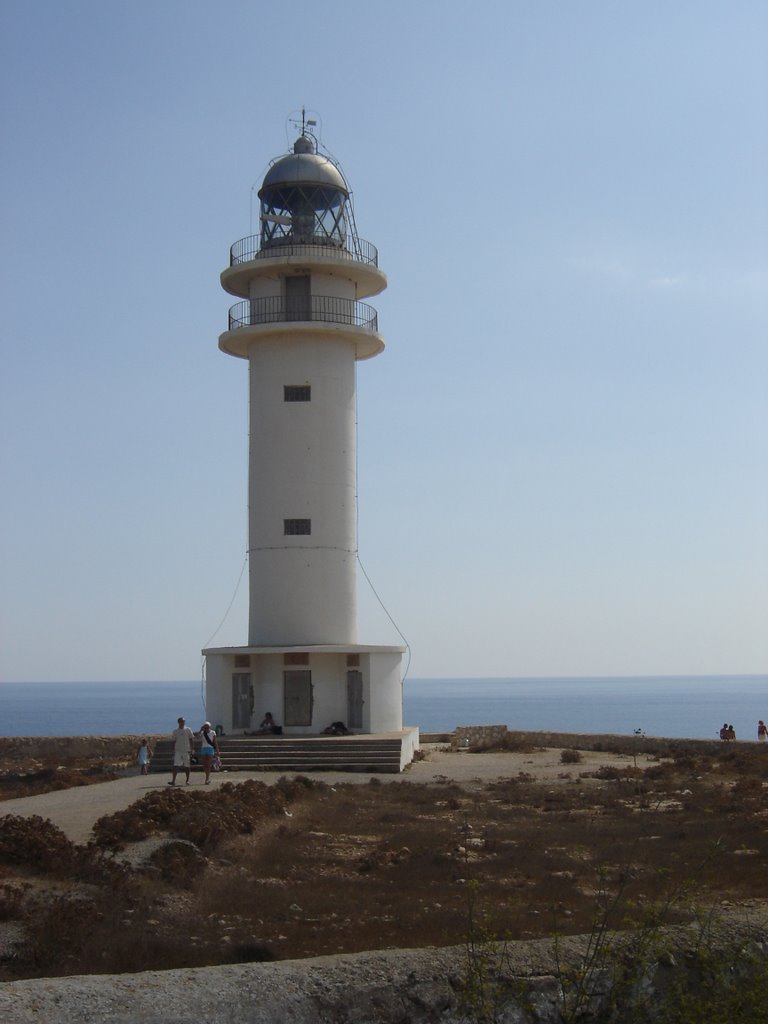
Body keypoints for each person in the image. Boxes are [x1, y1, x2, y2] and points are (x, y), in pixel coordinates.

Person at [168, 716, 195, 785]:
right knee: (175, 765)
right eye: (181, 722)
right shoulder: (175, 731)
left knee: (187, 766)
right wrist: (172, 749)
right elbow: (173, 741)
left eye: (183, 721)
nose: (182, 723)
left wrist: (192, 749)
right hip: (178, 750)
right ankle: (173, 781)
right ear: (178, 722)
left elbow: (191, 739)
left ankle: (187, 780)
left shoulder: (188, 729)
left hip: (186, 750)